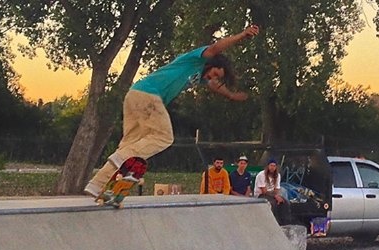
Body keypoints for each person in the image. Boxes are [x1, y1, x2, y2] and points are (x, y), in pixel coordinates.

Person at [83, 24, 260, 198]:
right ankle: (124, 159)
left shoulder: (199, 76)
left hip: (135, 96)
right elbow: (216, 47)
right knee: (163, 137)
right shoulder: (196, 59)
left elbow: (214, 87)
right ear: (210, 64)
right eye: (213, 74)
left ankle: (97, 185)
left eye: (216, 78)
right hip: (149, 95)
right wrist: (242, 35)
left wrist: (231, 95)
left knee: (131, 142)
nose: (212, 79)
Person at [255, 159, 291, 225]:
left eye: (274, 166)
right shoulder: (261, 175)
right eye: (271, 165)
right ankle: (274, 223)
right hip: (261, 194)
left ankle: (285, 222)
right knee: (273, 204)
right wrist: (275, 196)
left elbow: (277, 189)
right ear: (268, 166)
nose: (272, 167)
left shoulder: (278, 175)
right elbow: (264, 191)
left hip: (273, 194)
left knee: (285, 202)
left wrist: (278, 196)